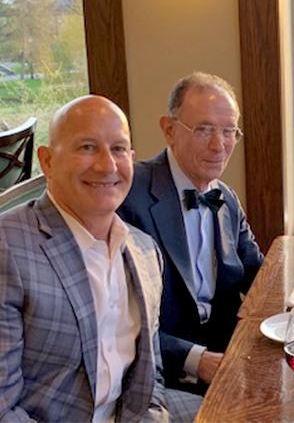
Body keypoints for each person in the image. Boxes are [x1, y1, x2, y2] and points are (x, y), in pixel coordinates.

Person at [0, 96, 171, 421]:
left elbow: (150, 382)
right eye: (87, 147)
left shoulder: (145, 251)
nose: (107, 165)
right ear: (47, 161)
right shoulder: (7, 248)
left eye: (119, 149)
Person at [118, 73, 264, 393]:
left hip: (229, 356)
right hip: (162, 372)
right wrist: (195, 359)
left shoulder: (225, 198)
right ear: (169, 130)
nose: (219, 145)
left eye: (229, 132)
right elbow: (116, 318)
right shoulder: (129, 197)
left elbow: (259, 276)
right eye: (204, 130)